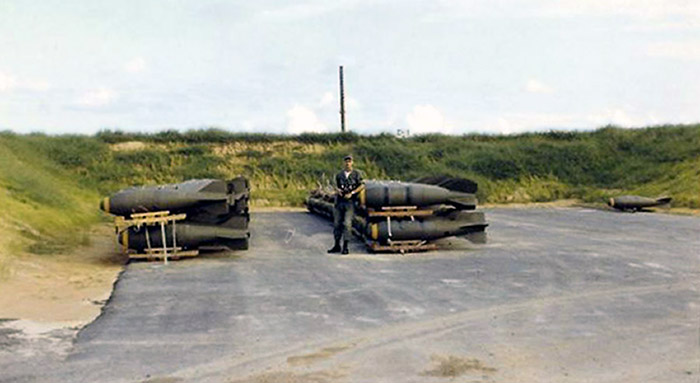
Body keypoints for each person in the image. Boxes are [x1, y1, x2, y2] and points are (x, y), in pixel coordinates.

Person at [328, 155, 364, 254]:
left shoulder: (357, 174)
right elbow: (336, 186)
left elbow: (361, 185)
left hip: (350, 202)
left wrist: (352, 193)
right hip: (339, 202)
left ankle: (345, 246)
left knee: (347, 224)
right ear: (344, 163)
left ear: (352, 162)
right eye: (346, 161)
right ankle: (336, 245)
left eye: (349, 161)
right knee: (337, 224)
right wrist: (338, 191)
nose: (347, 163)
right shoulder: (339, 175)